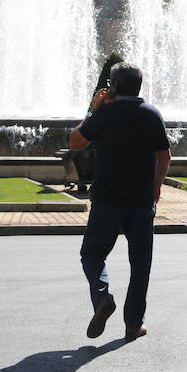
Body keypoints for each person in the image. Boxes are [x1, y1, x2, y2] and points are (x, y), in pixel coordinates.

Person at [69, 62, 171, 341]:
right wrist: (157, 186)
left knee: (92, 254)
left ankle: (102, 298)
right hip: (140, 199)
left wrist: (94, 109)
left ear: (112, 87)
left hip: (107, 199)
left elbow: (76, 142)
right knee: (141, 264)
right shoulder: (152, 114)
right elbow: (165, 156)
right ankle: (133, 325)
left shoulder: (106, 113)